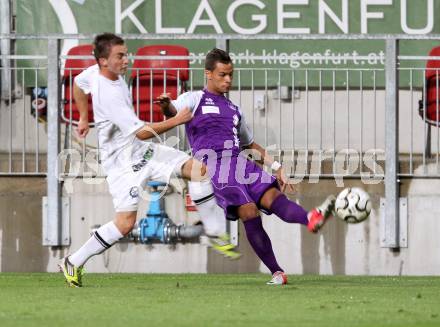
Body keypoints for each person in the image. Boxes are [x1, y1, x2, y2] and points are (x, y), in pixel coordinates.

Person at [59, 34, 239, 288]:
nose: (126, 59)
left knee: (199, 170)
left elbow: (78, 84)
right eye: (119, 56)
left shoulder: (93, 72)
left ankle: (215, 232)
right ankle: (74, 261)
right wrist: (177, 120)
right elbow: (142, 131)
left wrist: (83, 117)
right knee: (124, 224)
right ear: (103, 61)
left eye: (125, 53)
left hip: (141, 150)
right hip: (122, 164)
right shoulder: (108, 94)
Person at [157, 48, 336, 285]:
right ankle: (277, 271)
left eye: (230, 74)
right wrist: (166, 106)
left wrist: (277, 166)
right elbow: (174, 111)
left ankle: (311, 218)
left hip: (241, 163)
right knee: (249, 211)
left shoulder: (234, 110)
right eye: (222, 74)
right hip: (215, 166)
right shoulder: (194, 98)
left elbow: (249, 143)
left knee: (274, 197)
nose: (228, 80)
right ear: (208, 74)